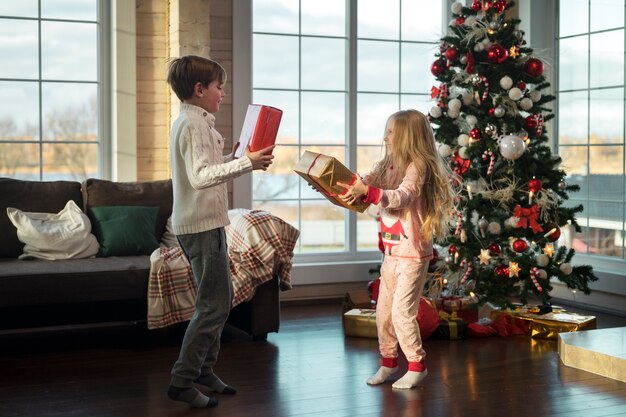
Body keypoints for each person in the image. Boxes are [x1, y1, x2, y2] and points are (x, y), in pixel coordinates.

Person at [165, 55, 274, 408]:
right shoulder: (193, 125)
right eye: (218, 86)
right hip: (200, 227)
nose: (222, 93)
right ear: (200, 90)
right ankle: (183, 379)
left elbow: (209, 168)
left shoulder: (197, 122)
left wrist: (244, 161)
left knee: (220, 301)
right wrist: (246, 162)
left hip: (209, 224)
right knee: (212, 306)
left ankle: (203, 370)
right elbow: (200, 177)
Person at [338, 109, 457, 389]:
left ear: (407, 136)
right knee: (383, 311)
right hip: (391, 253)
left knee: (403, 312)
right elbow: (367, 181)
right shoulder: (388, 164)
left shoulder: (418, 166)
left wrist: (368, 193)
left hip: (413, 254)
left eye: (391, 132)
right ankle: (389, 363)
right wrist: (344, 186)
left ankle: (417, 365)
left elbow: (402, 196)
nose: (385, 137)